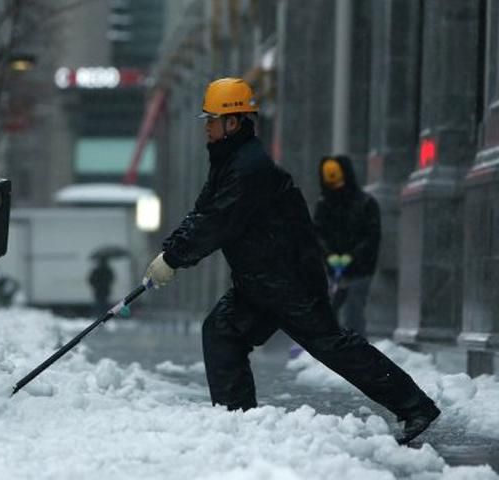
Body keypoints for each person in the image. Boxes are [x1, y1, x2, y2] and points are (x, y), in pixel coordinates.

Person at [142, 77, 440, 444]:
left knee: (331, 345)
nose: (206, 126)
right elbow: (203, 212)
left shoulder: (249, 168)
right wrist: (169, 251)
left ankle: (415, 406)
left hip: (289, 281)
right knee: (221, 331)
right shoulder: (229, 160)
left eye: (212, 119)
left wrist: (174, 258)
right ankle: (238, 422)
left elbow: (219, 220)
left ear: (232, 122)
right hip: (260, 281)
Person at [313, 155, 380, 337]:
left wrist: (352, 256)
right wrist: (329, 255)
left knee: (353, 311)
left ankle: (356, 351)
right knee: (330, 310)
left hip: (360, 270)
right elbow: (317, 234)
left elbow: (371, 237)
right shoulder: (324, 205)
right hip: (333, 269)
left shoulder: (366, 204)